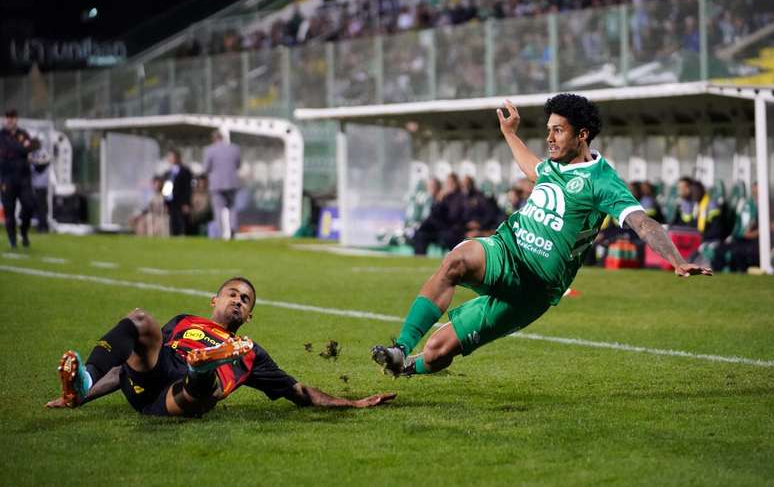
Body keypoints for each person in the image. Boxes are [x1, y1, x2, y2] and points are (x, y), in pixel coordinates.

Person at [371, 94, 712, 377]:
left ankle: (407, 368)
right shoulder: (551, 166)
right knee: (456, 261)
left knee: (438, 350)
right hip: (508, 250)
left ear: (582, 135)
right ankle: (400, 348)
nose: (549, 138)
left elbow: (642, 223)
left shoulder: (602, 181)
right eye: (548, 130)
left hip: (534, 289)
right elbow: (530, 166)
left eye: (558, 131)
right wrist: (509, 134)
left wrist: (677, 260)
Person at [47, 276, 395, 417]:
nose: (239, 301)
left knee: (206, 382)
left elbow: (299, 391)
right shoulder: (183, 322)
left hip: (183, 397)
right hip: (150, 377)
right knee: (139, 321)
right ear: (215, 300)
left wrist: (353, 403)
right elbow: (124, 365)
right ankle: (86, 378)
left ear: (249, 316)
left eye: (246, 300)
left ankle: (204, 368)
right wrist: (81, 396)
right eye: (233, 294)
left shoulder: (251, 351)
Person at [0, 109, 38, 249]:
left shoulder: (23, 134)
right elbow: (13, 149)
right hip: (7, 178)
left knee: (29, 205)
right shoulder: (1, 135)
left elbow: (32, 147)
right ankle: (12, 239)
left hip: (23, 178)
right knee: (9, 211)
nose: (10, 120)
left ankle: (23, 231)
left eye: (13, 117)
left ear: (17, 119)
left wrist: (24, 149)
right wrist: (23, 148)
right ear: (5, 119)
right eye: (8, 117)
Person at [203, 130, 241, 239]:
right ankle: (233, 229)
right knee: (232, 207)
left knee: (218, 209)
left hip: (217, 184)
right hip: (232, 182)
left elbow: (206, 168)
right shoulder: (235, 148)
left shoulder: (209, 150)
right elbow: (238, 165)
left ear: (213, 138)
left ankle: (220, 232)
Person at [162, 149, 193, 236]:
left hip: (181, 201)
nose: (170, 159)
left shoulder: (185, 171)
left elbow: (188, 189)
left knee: (182, 222)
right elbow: (166, 188)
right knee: (173, 222)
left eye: (172, 157)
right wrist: (166, 202)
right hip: (171, 201)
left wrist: (186, 203)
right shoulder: (167, 173)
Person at [29, 141, 51, 233]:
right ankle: (43, 225)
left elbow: (39, 166)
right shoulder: (42, 153)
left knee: (40, 207)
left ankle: (43, 226)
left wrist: (32, 162)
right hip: (41, 184)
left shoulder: (39, 154)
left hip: (39, 184)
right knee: (41, 206)